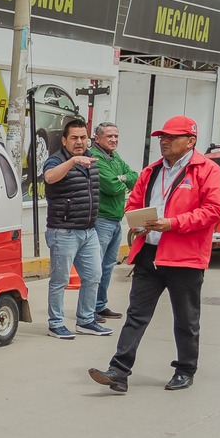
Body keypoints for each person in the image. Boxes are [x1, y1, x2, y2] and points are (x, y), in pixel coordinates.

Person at [88, 114, 220, 395]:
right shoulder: (152, 171)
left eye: (171, 137)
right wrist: (137, 222)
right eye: (162, 137)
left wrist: (172, 223)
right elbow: (135, 202)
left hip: (184, 257)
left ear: (190, 141)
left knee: (185, 319)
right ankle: (119, 370)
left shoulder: (208, 171)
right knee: (136, 315)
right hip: (149, 252)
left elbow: (213, 211)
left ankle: (185, 369)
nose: (164, 141)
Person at [41, 118, 107, 341]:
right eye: (74, 138)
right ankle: (56, 323)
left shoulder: (92, 160)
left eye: (83, 137)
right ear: (64, 140)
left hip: (89, 231)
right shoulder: (55, 160)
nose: (79, 142)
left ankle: (86, 320)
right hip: (64, 230)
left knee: (94, 275)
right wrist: (72, 162)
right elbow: (50, 178)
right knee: (60, 280)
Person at [89, 121, 132, 322]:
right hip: (102, 219)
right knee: (96, 267)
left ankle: (100, 305)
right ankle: (90, 310)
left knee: (107, 266)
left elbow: (135, 178)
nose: (114, 139)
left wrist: (121, 177)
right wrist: (122, 179)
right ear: (97, 139)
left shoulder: (114, 157)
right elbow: (112, 187)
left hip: (115, 219)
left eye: (116, 136)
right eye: (109, 136)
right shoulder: (96, 157)